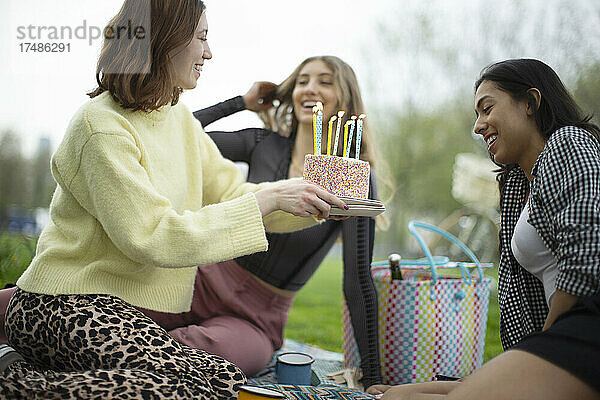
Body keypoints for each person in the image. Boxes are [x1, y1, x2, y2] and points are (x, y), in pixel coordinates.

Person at [0, 1, 350, 398]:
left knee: (220, 379)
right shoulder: (101, 126)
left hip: (117, 310)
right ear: (166, 39)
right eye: (201, 37)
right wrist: (269, 197)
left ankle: (20, 370)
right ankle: (14, 381)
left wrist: (307, 201)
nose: (208, 52)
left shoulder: (177, 118)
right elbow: (153, 235)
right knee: (194, 387)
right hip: (63, 307)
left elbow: (234, 193)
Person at [136, 55, 388, 387]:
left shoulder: (349, 177)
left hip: (254, 320)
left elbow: (356, 280)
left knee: (214, 355)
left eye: (325, 81)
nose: (310, 89)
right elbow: (176, 134)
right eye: (302, 81)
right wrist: (240, 102)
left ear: (346, 99)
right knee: (125, 318)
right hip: (195, 282)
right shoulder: (262, 143)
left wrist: (374, 377)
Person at [366, 59, 600, 399]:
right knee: (396, 394)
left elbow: (588, 252)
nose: (478, 126)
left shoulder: (568, 143)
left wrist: (539, 350)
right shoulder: (519, 182)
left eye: (486, 109)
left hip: (585, 330)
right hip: (561, 339)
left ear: (530, 103)